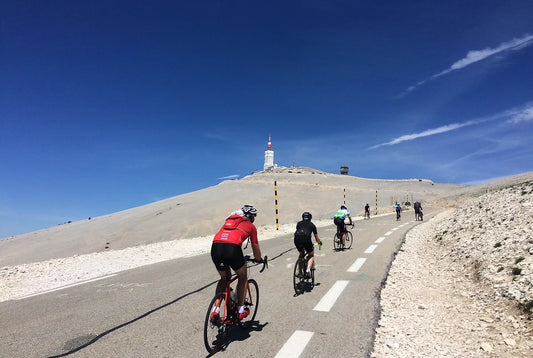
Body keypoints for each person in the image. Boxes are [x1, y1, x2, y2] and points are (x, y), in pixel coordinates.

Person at [210, 205, 263, 321]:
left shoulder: (229, 220)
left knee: (224, 279)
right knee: (242, 277)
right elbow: (255, 247)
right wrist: (258, 259)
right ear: (251, 216)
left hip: (215, 247)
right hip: (232, 249)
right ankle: (240, 309)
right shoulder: (251, 226)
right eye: (254, 216)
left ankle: (215, 310)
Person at [294, 212, 322, 277]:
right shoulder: (312, 225)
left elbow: (299, 230)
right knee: (311, 255)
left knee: (301, 254)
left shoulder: (299, 223)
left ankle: (300, 272)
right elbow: (316, 238)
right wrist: (319, 242)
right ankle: (308, 270)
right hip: (306, 238)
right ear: (310, 218)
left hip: (297, 238)